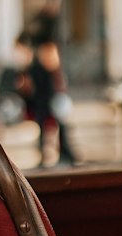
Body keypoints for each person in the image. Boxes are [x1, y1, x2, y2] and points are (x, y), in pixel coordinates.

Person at [10, 30, 79, 167]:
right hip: (44, 98)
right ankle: (61, 154)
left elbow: (42, 83)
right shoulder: (37, 61)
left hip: (45, 99)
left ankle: (64, 154)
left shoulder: (38, 61)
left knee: (54, 125)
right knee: (52, 126)